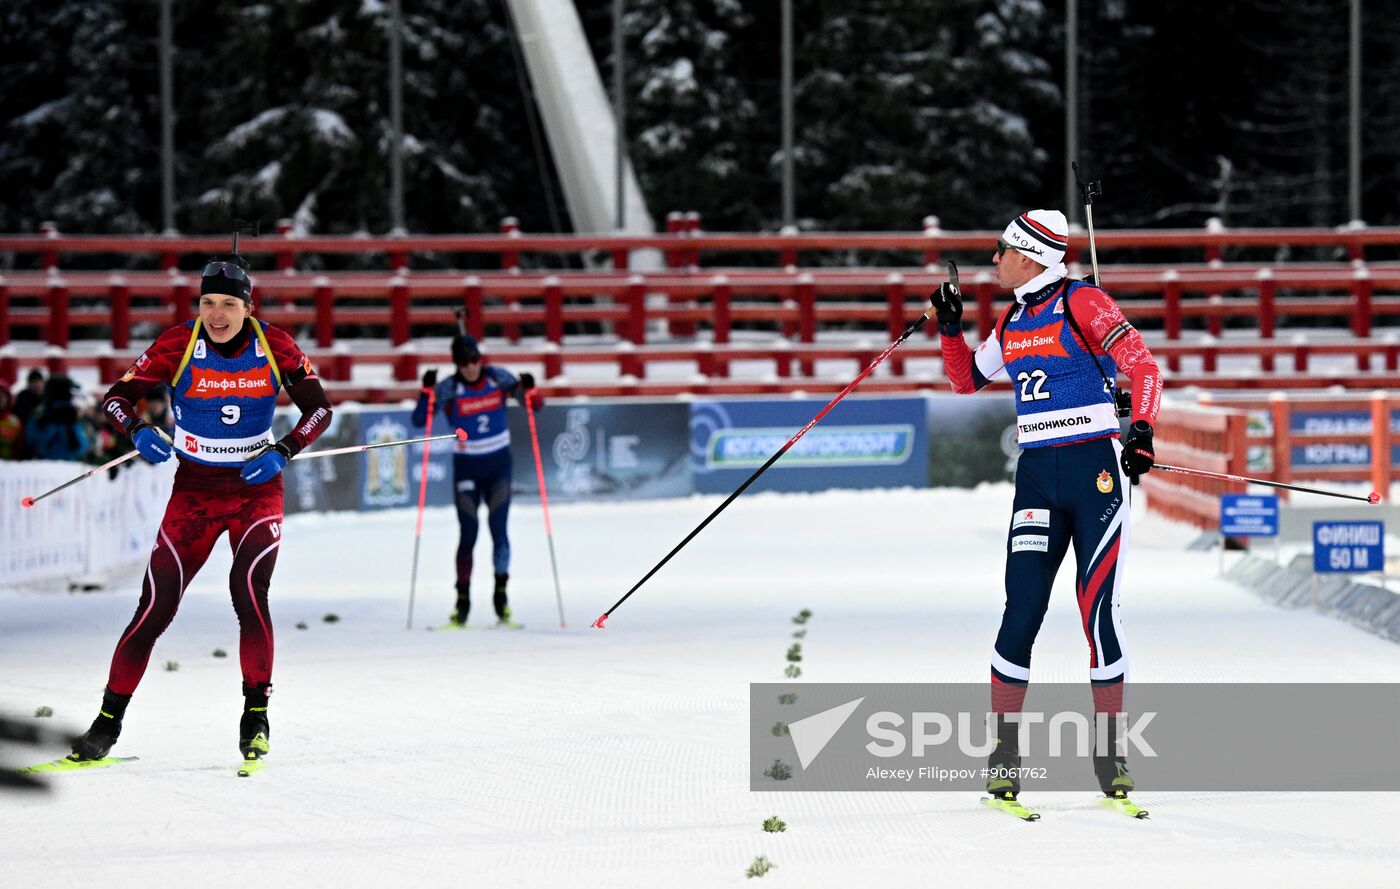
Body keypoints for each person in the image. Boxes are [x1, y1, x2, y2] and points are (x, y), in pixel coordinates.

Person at [932, 209, 1161, 809]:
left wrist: (1141, 429)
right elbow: (966, 381)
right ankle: (1003, 760)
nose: (993, 260)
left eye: (1002, 251)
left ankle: (1110, 757)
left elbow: (1143, 366)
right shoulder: (1012, 319)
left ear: (1031, 256)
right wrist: (951, 329)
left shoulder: (1083, 302)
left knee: (1098, 615)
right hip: (1036, 480)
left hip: (1094, 477)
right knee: (1021, 611)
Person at [68, 252, 333, 767]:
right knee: (155, 606)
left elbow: (318, 409)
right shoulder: (179, 342)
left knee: (248, 591)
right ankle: (106, 723)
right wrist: (137, 429)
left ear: (248, 308)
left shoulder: (273, 344)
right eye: (208, 303)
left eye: (229, 305)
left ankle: (256, 716)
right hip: (194, 491)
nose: (217, 314)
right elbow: (117, 397)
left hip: (256, 489)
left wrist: (283, 451)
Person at [413, 333, 539, 628]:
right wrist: (425, 391)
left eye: (473, 360)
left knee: (499, 531)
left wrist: (529, 389)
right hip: (467, 468)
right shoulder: (449, 388)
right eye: (463, 362)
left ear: (480, 358)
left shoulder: (498, 378)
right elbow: (420, 420)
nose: (470, 367)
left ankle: (501, 601)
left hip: (498, 468)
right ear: (456, 364)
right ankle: (462, 605)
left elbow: (534, 406)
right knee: (468, 533)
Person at [23, 375, 90, 461]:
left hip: (68, 463)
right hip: (45, 463)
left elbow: (83, 446)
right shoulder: (41, 414)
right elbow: (34, 444)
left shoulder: (71, 413)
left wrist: (72, 425)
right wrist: (52, 424)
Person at [0, 387, 23, 459]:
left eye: (2, 396)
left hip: (8, 462)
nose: (0, 399)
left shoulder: (15, 422)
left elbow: (19, 446)